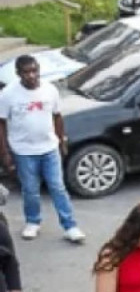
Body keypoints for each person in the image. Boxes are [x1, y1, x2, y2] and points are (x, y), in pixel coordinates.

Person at [0, 56, 84, 243]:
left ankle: (70, 226)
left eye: (34, 71)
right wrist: (4, 152)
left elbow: (57, 116)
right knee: (30, 189)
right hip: (23, 150)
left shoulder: (49, 90)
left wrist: (61, 140)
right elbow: (2, 123)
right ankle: (33, 222)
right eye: (26, 72)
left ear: (38, 70)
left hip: (48, 147)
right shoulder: (8, 94)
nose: (31, 75)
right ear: (18, 73)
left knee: (58, 187)